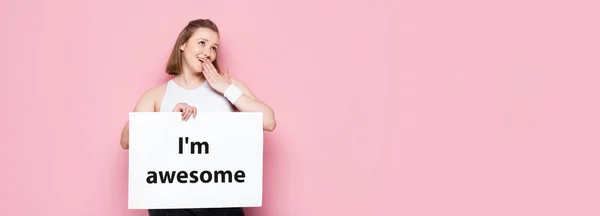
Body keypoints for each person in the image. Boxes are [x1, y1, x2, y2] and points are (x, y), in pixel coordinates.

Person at [119, 18, 277, 216]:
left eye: (214, 48)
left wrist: (225, 88)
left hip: (221, 201)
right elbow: (126, 141)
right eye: (202, 43)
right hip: (171, 204)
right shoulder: (157, 95)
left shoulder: (227, 85)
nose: (207, 53)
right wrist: (167, 120)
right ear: (183, 44)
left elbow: (268, 121)